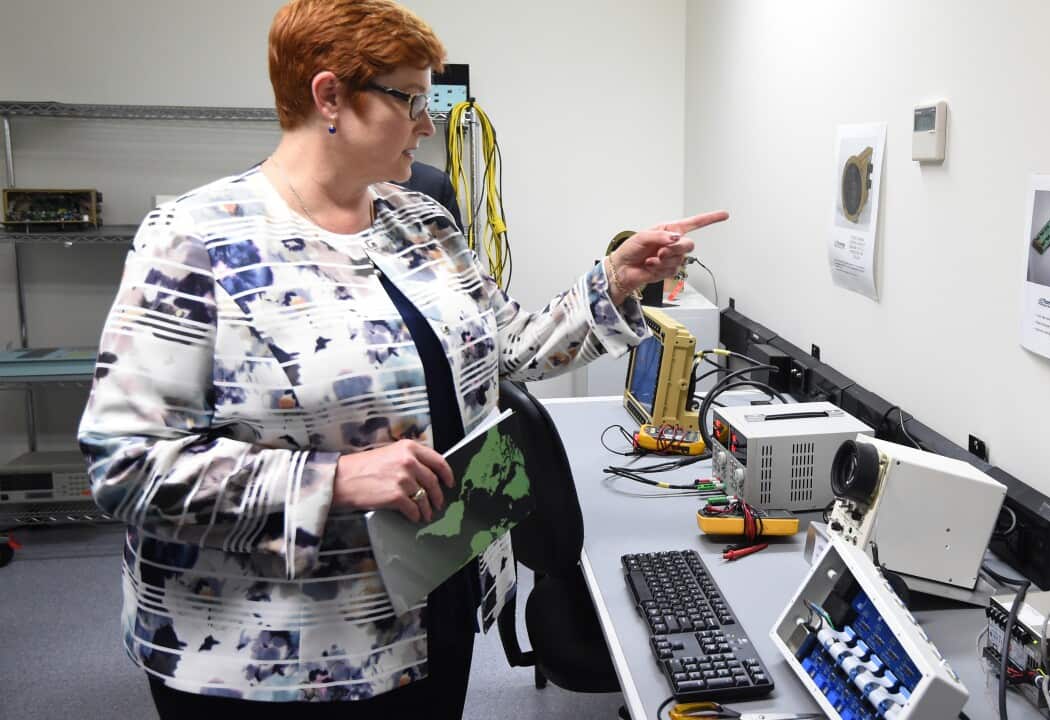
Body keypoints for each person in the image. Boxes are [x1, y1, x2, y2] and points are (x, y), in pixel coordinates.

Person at [75, 0, 728, 717]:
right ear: (330, 96)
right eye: (410, 99)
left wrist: (615, 280)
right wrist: (332, 482)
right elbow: (125, 466)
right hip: (274, 653)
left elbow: (506, 349)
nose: (428, 121)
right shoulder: (196, 238)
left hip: (436, 601)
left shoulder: (423, 221)